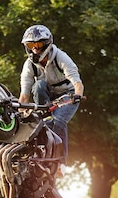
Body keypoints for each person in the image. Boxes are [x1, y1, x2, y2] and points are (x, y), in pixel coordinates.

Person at [18, 24, 84, 163]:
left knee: (58, 121)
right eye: (31, 46)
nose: (35, 49)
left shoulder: (61, 57)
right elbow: (24, 96)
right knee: (38, 86)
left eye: (38, 44)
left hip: (68, 95)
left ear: (47, 44)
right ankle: (44, 145)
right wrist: (18, 112)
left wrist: (77, 96)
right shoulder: (29, 65)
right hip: (47, 96)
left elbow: (78, 84)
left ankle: (61, 162)